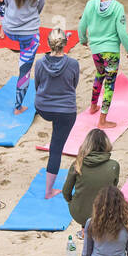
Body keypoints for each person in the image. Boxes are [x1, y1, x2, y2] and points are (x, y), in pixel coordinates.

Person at [77, 0, 128, 128]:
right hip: (111, 52)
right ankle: (102, 120)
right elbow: (121, 32)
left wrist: (83, 40)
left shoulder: (90, 4)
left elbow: (82, 26)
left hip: (96, 50)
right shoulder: (118, 7)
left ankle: (93, 105)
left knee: (99, 74)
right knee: (110, 83)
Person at [0, 0, 45, 112]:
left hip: (10, 29)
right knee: (25, 70)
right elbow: (40, 7)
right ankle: (18, 106)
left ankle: (18, 103)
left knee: (25, 47)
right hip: (29, 33)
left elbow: (7, 4)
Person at [32, 29, 79, 198]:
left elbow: (37, 85)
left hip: (43, 107)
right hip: (65, 111)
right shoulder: (73, 64)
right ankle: (48, 191)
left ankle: (48, 189)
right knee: (56, 149)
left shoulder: (39, 63)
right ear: (65, 44)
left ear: (49, 44)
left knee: (56, 133)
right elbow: (74, 85)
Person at [63, 128, 120, 227]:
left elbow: (66, 192)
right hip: (104, 213)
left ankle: (85, 229)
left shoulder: (77, 164)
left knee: (86, 209)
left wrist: (72, 202)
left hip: (79, 212)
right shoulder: (113, 166)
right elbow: (113, 188)